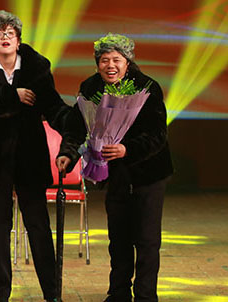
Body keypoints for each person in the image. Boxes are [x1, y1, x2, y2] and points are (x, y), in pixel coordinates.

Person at [0, 10, 69, 302]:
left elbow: (52, 105)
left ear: (19, 40)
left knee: (38, 225)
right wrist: (12, 95)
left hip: (28, 156)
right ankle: (1, 294)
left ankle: (52, 293)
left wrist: (74, 126)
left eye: (10, 33)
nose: (5, 38)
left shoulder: (35, 68)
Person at [57, 33, 173, 302]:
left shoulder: (147, 87)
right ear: (97, 63)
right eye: (104, 60)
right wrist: (68, 154)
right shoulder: (90, 88)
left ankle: (145, 296)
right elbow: (76, 126)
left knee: (146, 240)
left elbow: (157, 134)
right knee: (118, 238)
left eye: (116, 60)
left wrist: (127, 149)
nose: (110, 65)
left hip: (148, 174)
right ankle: (118, 293)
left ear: (127, 62)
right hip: (115, 175)